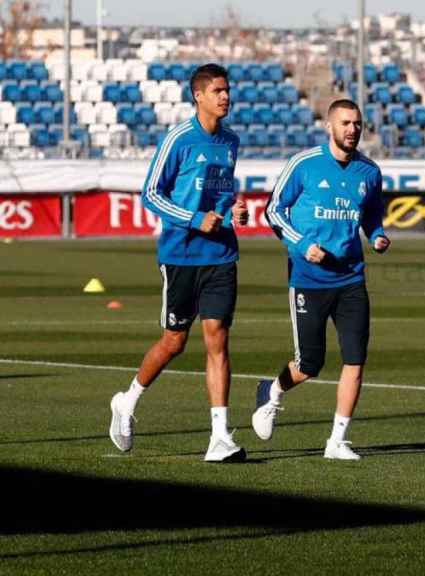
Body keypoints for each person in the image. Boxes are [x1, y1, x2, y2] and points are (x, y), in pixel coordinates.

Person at [109, 63, 248, 462]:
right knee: (174, 342)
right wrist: (193, 218)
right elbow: (150, 194)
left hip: (221, 253)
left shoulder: (231, 141)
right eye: (218, 91)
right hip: (181, 255)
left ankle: (219, 436)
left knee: (218, 338)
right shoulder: (179, 140)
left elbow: (224, 193)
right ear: (199, 96)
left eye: (228, 90)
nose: (225, 96)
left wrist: (234, 209)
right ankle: (127, 401)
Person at [253, 99, 389, 461]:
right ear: (329, 127)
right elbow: (273, 210)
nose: (352, 130)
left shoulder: (370, 172)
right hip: (309, 278)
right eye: (345, 123)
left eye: (357, 124)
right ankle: (272, 391)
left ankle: (337, 440)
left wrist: (376, 235)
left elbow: (372, 215)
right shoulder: (304, 164)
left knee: (355, 359)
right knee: (309, 364)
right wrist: (301, 244)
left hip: (351, 279)